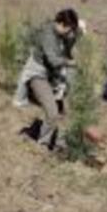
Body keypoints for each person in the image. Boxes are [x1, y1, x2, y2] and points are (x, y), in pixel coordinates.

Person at [13, 9, 81, 150]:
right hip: (37, 75)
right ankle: (42, 145)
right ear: (63, 24)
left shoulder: (59, 33)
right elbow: (54, 60)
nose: (69, 33)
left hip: (49, 77)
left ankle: (55, 141)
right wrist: (70, 63)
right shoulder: (49, 35)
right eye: (69, 29)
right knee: (52, 112)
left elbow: (67, 47)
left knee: (60, 112)